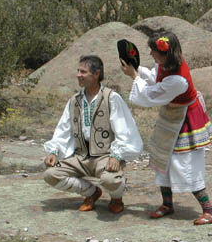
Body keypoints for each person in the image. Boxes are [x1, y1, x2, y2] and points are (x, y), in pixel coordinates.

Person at [120, 32, 212, 225]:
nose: (150, 53)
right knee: (161, 157)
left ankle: (209, 211)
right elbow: (157, 78)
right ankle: (167, 204)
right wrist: (137, 68)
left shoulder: (178, 80)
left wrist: (134, 76)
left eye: (154, 51)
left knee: (186, 165)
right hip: (172, 115)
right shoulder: (167, 65)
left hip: (185, 119)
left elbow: (150, 95)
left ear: (165, 53)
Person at [43, 55, 143, 214]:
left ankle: (117, 198)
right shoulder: (74, 100)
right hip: (80, 156)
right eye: (78, 71)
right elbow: (63, 129)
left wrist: (116, 156)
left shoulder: (111, 98)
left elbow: (125, 130)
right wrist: (54, 152)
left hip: (104, 156)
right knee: (51, 175)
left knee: (110, 179)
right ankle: (92, 193)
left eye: (83, 72)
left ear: (96, 74)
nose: (78, 75)